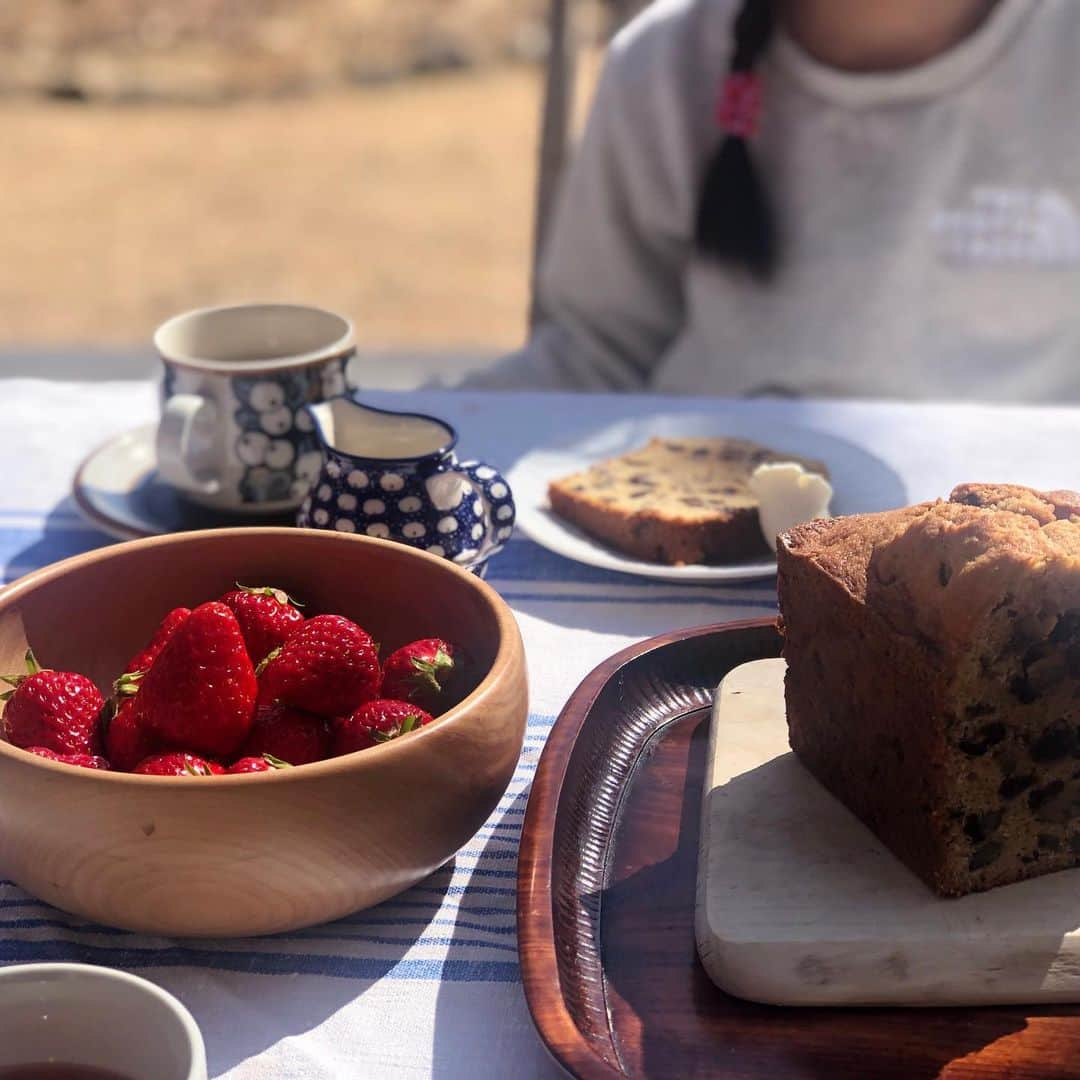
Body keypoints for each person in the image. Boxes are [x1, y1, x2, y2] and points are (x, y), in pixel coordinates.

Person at [469, 0, 1080, 401]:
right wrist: (401, 430)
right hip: (703, 565)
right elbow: (595, 354)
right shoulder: (664, 61)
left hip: (1012, 568)